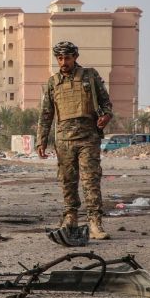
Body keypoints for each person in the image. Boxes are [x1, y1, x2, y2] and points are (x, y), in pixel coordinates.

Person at [36, 41, 113, 240]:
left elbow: (106, 102)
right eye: (60, 58)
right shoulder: (53, 83)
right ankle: (70, 218)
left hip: (88, 138)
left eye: (67, 58)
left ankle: (95, 222)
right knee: (67, 182)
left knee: (90, 182)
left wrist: (106, 115)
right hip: (63, 141)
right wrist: (41, 140)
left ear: (75, 57)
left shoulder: (90, 75)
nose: (63, 62)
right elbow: (46, 114)